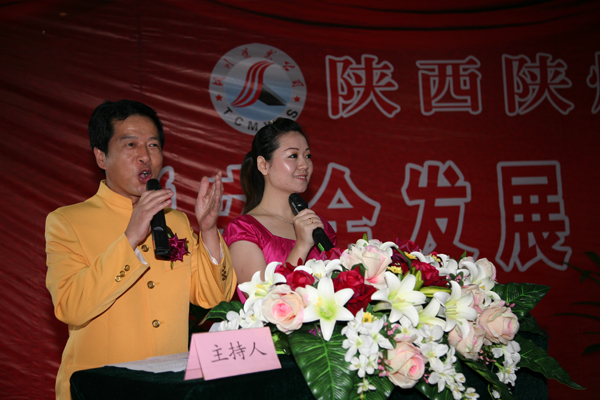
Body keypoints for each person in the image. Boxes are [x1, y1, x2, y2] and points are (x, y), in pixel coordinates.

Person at [45, 100, 237, 400]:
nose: (145, 156)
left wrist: (209, 230)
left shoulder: (177, 221)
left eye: (153, 145)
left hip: (168, 386)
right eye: (131, 144)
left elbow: (213, 298)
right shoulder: (67, 221)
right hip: (100, 387)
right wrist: (130, 238)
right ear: (101, 156)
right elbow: (71, 307)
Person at [223, 118, 336, 291]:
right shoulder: (244, 230)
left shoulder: (320, 226)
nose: (304, 165)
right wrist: (302, 246)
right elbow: (261, 300)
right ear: (263, 165)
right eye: (293, 156)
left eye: (307, 156)